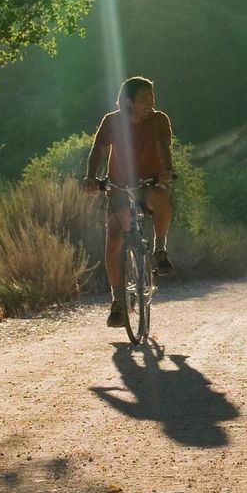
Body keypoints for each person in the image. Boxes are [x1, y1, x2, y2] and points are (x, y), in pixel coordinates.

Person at [80, 76, 175, 327]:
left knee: (161, 198)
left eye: (152, 98)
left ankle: (160, 250)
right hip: (120, 185)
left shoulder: (158, 120)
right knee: (113, 240)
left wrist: (166, 170)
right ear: (128, 102)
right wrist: (91, 177)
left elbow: (163, 145)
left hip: (150, 182)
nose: (151, 103)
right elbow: (98, 150)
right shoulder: (112, 121)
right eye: (145, 99)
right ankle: (118, 303)